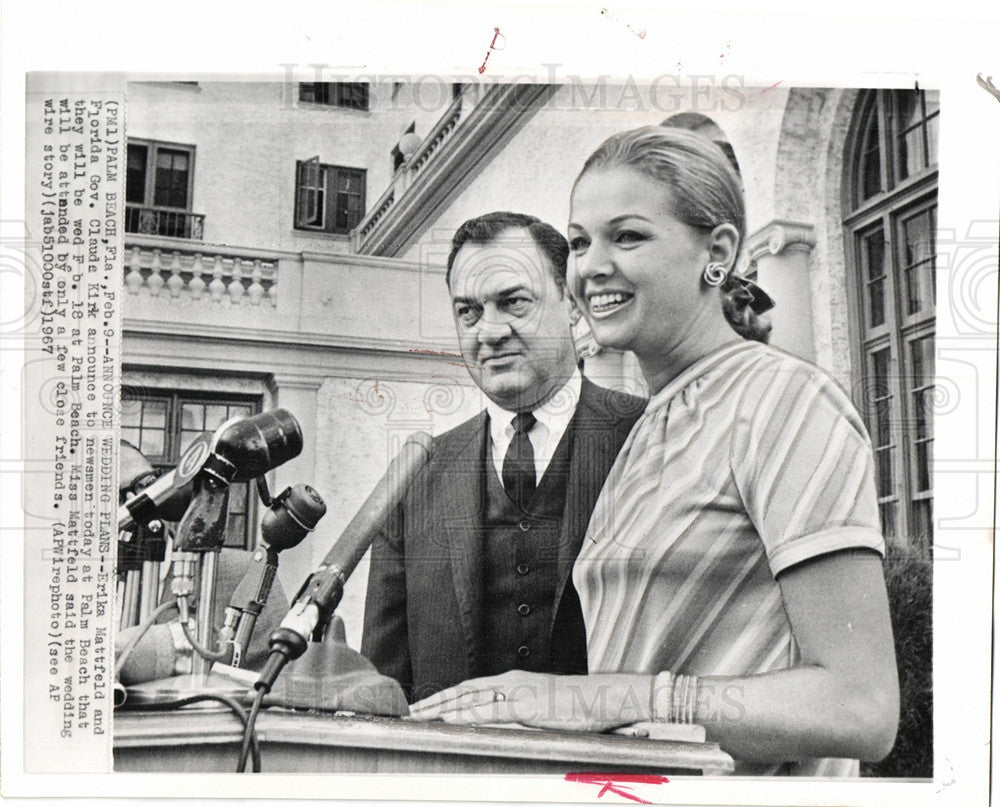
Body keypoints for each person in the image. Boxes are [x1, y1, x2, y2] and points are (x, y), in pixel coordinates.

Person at [409, 128, 899, 776]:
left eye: (628, 236)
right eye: (580, 242)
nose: (590, 266)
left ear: (717, 253)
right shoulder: (644, 430)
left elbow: (860, 706)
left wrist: (611, 697)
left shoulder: (783, 402)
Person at [361, 212, 645, 703]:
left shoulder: (651, 437)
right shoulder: (415, 476)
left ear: (574, 304)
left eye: (513, 302)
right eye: (468, 312)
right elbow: (385, 692)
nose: (488, 332)